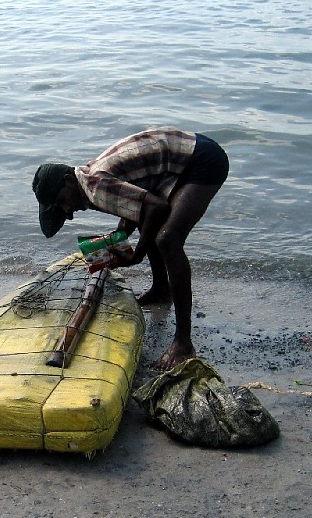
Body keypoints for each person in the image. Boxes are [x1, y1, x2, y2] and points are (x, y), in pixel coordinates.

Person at [31, 127, 228, 370]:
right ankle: (160, 289)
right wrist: (120, 237)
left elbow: (156, 207)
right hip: (181, 157)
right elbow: (137, 205)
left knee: (168, 239)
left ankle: (183, 344)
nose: (69, 214)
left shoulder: (94, 187)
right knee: (153, 228)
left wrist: (137, 255)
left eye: (62, 202)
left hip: (200, 159)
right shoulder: (89, 177)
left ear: (69, 181)